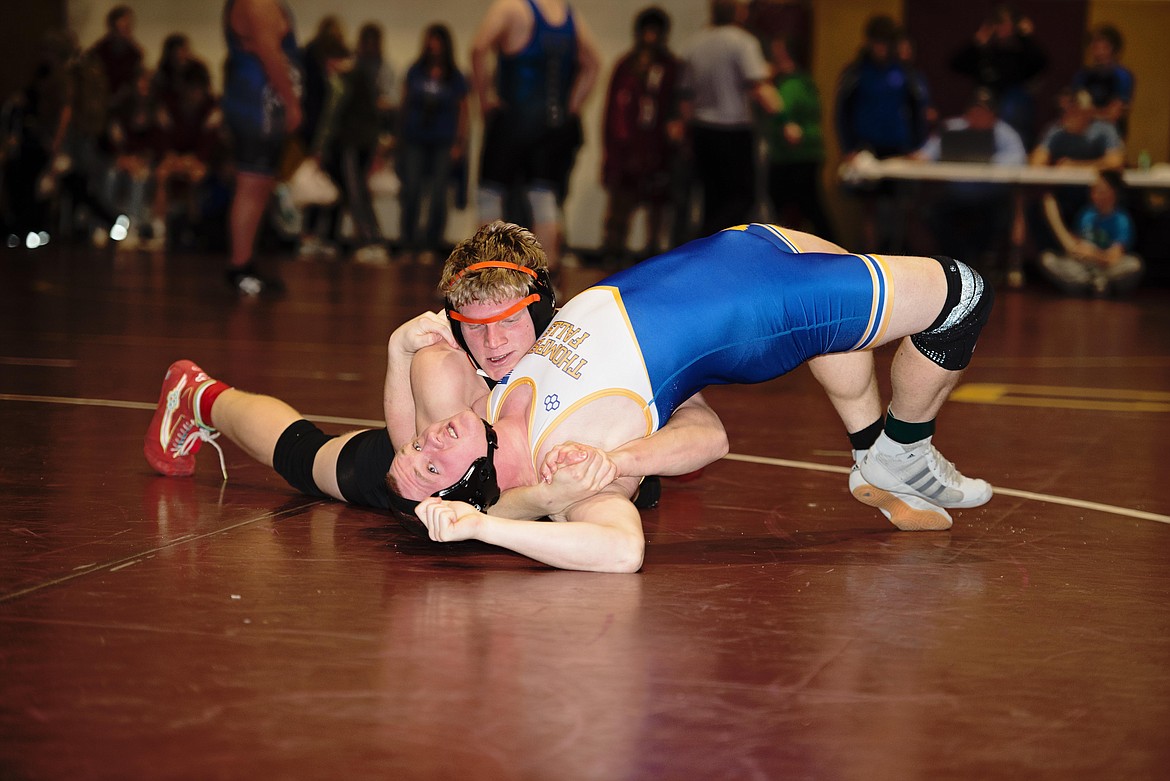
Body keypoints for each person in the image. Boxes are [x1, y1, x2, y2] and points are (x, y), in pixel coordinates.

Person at [379, 221, 994, 572]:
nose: (428, 436)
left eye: (415, 444)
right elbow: (621, 548)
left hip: (732, 250)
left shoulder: (492, 398)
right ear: (469, 482)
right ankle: (904, 448)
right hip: (755, 310)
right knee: (963, 296)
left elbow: (418, 418)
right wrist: (487, 526)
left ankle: (870, 455)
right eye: (432, 462)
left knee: (845, 304)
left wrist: (397, 352)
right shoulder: (569, 467)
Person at [144, 228, 728, 521]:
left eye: (508, 323)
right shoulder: (445, 370)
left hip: (501, 478)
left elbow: (704, 427)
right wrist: (402, 356)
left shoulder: (600, 340)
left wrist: (627, 461)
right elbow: (431, 475)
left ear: (545, 310)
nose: (493, 342)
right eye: (473, 327)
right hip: (432, 478)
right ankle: (199, 394)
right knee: (307, 456)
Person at [470, 0, 602, 270]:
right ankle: (545, 276)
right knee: (543, 197)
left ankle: (489, 271)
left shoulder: (510, 7)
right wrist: (571, 107)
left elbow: (478, 48)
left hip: (512, 119)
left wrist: (484, 99)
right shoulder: (566, 14)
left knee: (490, 195)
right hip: (551, 126)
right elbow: (593, 64)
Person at [221, 0, 302, 295]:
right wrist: (291, 102)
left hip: (260, 102)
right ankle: (239, 266)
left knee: (259, 184)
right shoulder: (256, 3)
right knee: (252, 183)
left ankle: (244, 263)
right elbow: (269, 53)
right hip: (258, 104)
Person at [679, 0, 778, 238]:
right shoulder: (743, 42)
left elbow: (685, 96)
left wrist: (686, 134)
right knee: (742, 197)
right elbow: (757, 84)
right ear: (738, 11)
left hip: (702, 129)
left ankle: (705, 248)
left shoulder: (693, 44)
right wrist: (777, 108)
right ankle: (714, 242)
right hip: (734, 129)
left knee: (710, 196)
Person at [834, 16, 930, 252]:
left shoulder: (905, 74)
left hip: (899, 148)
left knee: (901, 207)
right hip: (866, 148)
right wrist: (848, 149)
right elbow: (841, 112)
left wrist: (917, 146)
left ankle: (898, 256)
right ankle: (871, 257)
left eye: (886, 42)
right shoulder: (856, 73)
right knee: (870, 208)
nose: (881, 48)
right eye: (876, 42)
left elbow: (919, 110)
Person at [909, 88, 1026, 277]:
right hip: (956, 197)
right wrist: (914, 158)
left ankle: (980, 265)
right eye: (974, 110)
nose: (978, 116)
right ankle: (956, 264)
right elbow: (925, 155)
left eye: (984, 112)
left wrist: (983, 165)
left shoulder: (1005, 134)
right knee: (931, 213)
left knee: (1001, 216)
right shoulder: (951, 128)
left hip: (991, 198)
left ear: (993, 114)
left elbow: (1017, 161)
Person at [599, 6, 682, 266]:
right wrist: (613, 150)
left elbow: (676, 106)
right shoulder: (626, 66)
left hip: (658, 148)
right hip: (626, 149)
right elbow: (613, 111)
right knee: (620, 204)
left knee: (658, 203)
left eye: (655, 32)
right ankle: (613, 250)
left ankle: (654, 252)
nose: (650, 38)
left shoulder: (671, 68)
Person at [398, 24, 470, 265]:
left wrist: (460, 142)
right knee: (412, 190)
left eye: (438, 40)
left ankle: (431, 243)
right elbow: (404, 103)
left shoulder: (455, 76)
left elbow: (463, 111)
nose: (433, 45)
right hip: (415, 138)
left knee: (439, 194)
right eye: (430, 40)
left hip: (443, 141)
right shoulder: (415, 71)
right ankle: (408, 243)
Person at [762, 34, 836, 243]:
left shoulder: (791, 84)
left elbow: (779, 108)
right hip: (807, 153)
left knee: (798, 209)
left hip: (793, 156)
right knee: (808, 209)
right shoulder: (806, 81)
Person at [949, 4, 1047, 148]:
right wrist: (976, 42)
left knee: (1016, 102)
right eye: (1000, 24)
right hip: (985, 109)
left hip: (1013, 113)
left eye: (1008, 25)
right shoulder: (985, 54)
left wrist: (1027, 38)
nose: (1003, 29)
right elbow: (955, 64)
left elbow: (1042, 64)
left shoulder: (1021, 54)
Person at [1038, 170, 1142, 297]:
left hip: (1106, 267)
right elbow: (1076, 243)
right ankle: (1092, 284)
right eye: (1093, 190)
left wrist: (1094, 254)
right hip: (1083, 267)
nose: (1094, 195)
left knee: (1133, 264)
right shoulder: (1086, 214)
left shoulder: (1121, 220)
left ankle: (1093, 284)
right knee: (1048, 259)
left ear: (1112, 193)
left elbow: (1113, 258)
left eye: (1099, 190)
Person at [1070, 24, 1135, 138]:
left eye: (1104, 45)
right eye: (1094, 44)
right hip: (1082, 134)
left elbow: (1113, 115)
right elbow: (1075, 110)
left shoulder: (1122, 76)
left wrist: (1089, 112)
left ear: (1113, 48)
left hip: (1110, 135)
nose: (1098, 49)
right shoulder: (1082, 75)